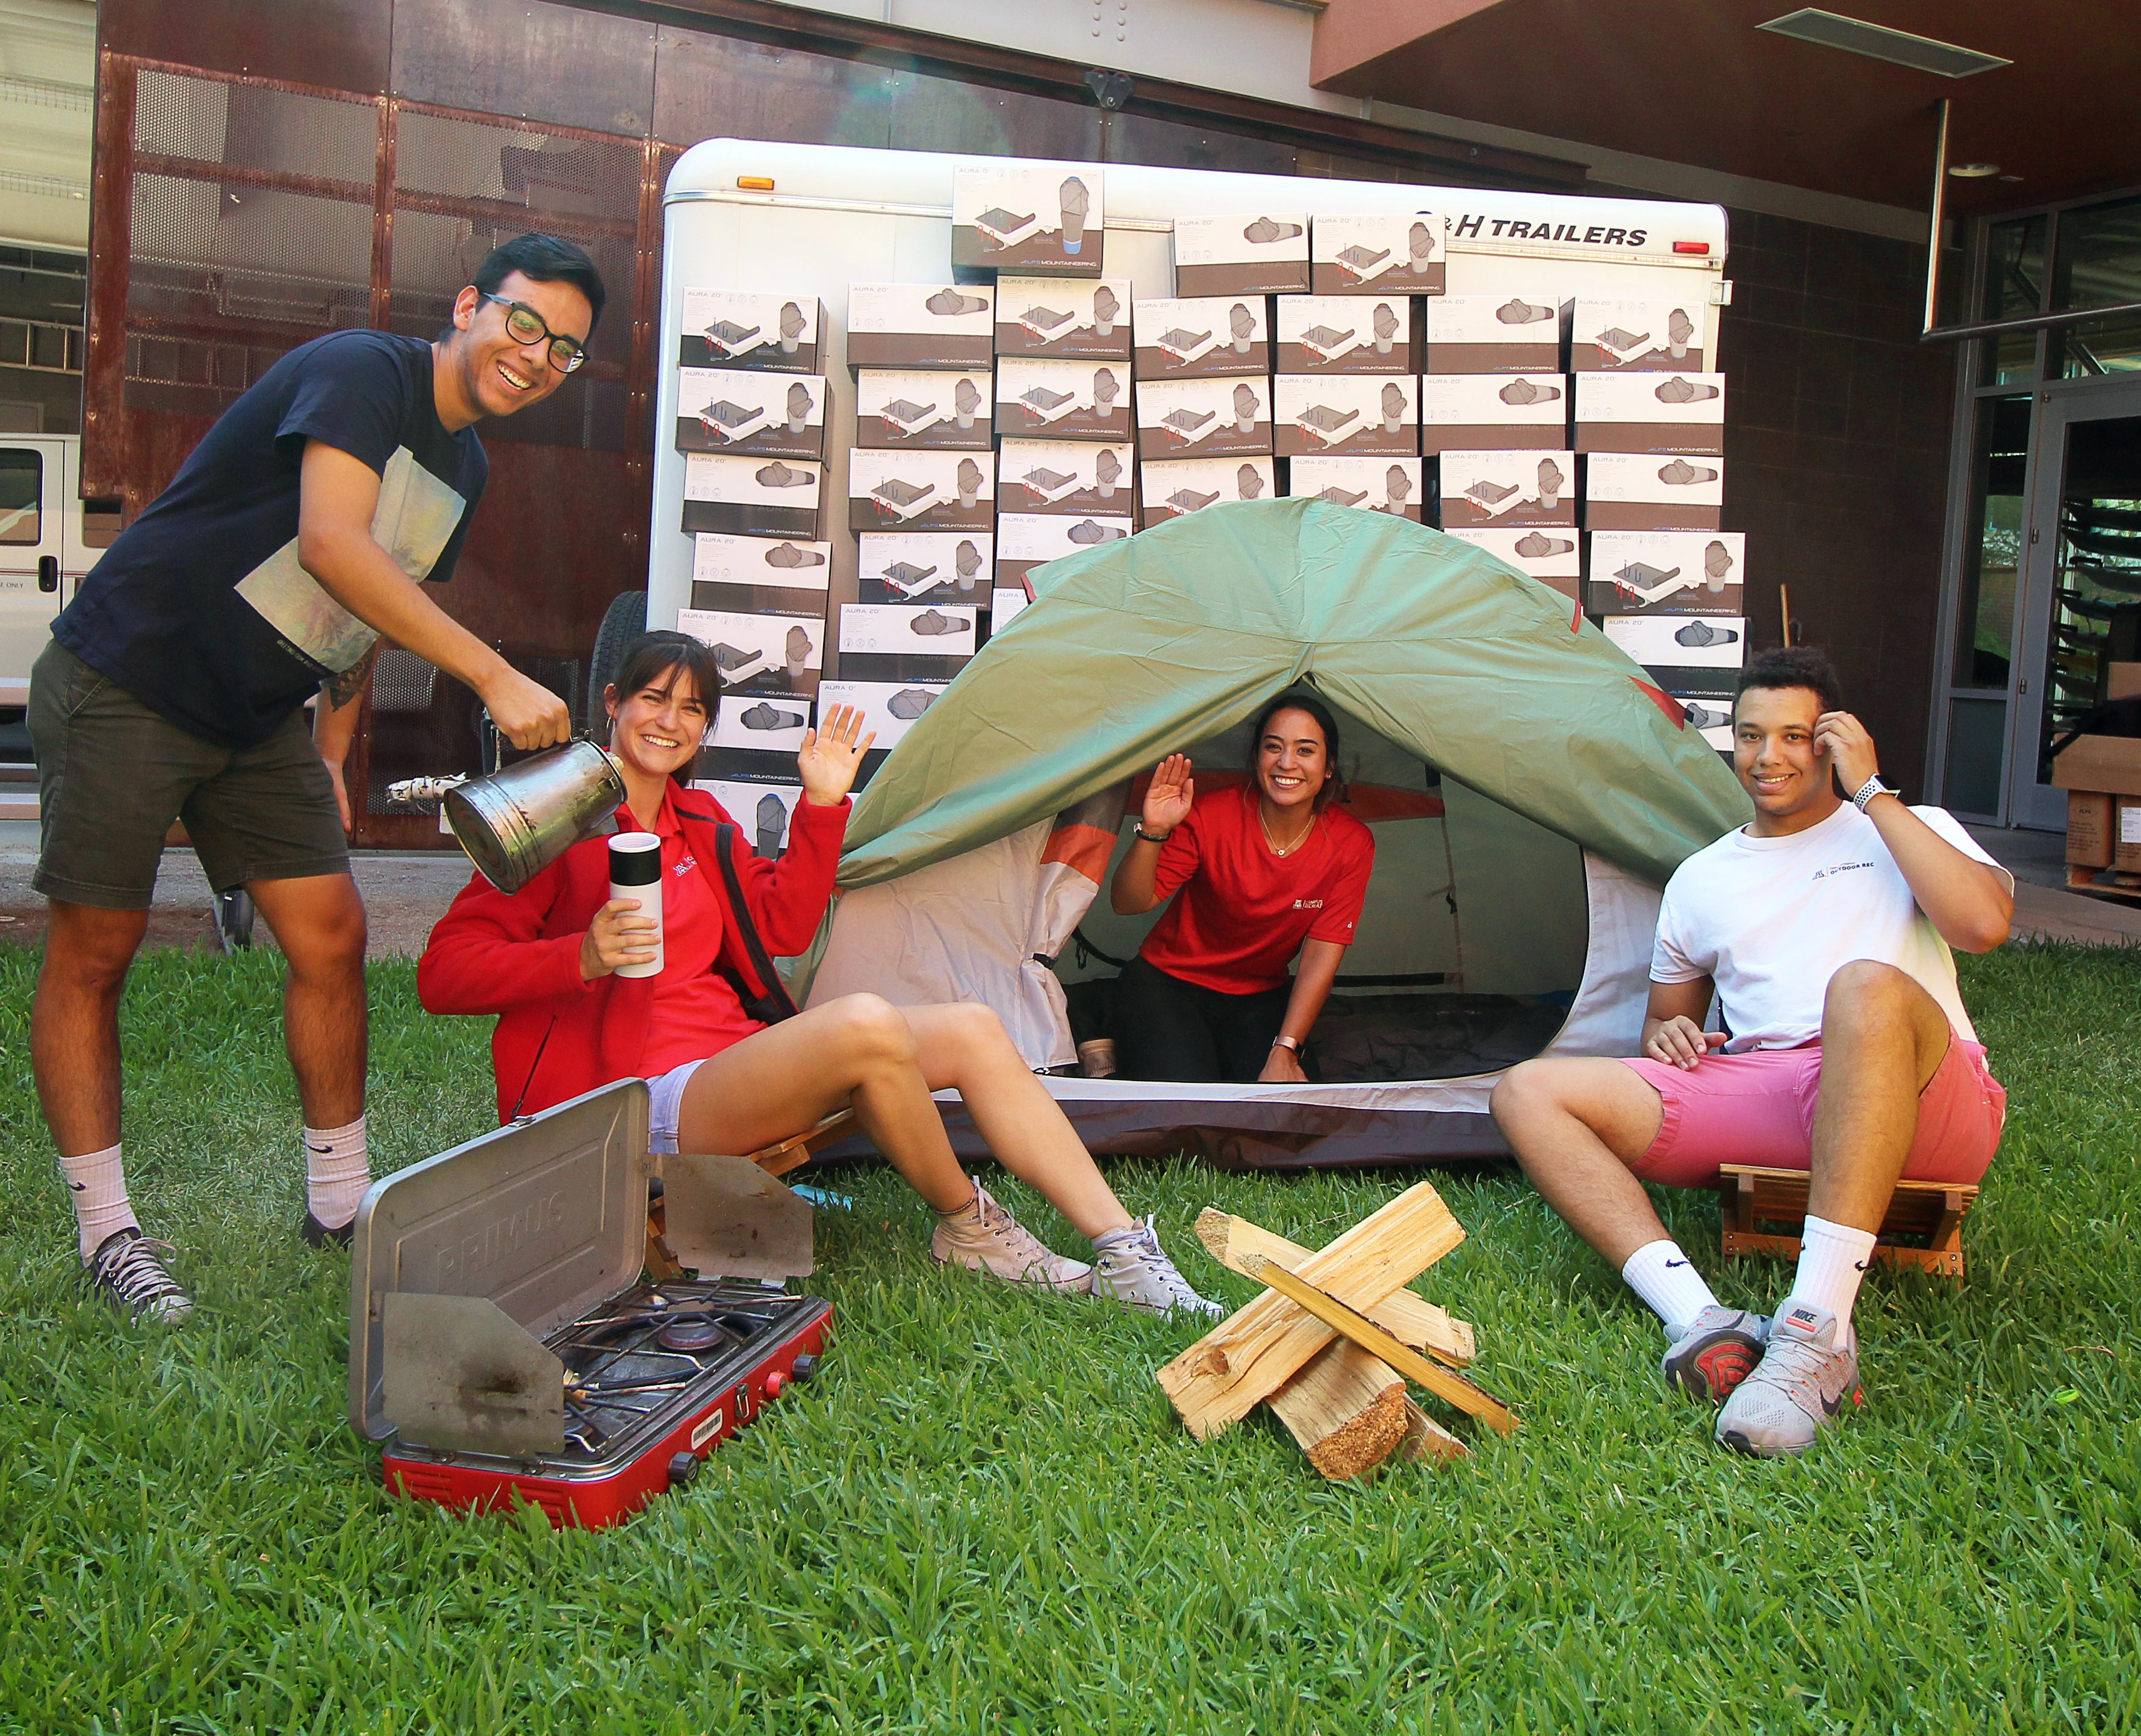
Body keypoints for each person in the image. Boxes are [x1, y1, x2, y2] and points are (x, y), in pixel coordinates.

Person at [28, 232, 607, 1323]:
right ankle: (109, 1230)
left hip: (255, 721)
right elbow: (335, 543)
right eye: (526, 324)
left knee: (333, 936)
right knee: (98, 947)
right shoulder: (364, 371)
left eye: (565, 352)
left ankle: (341, 1207)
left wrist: (334, 753)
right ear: (472, 304)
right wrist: (492, 674)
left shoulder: (465, 467)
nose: (536, 357)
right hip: (131, 672)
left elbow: (357, 608)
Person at [418, 631, 1221, 1319]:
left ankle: (1125, 1255)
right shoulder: (557, 824)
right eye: (655, 699)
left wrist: (822, 805)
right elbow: (442, 975)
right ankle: (968, 1227)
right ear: (615, 702)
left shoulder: (703, 824)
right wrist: (580, 956)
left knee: (974, 1026)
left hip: (726, 1068)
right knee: (867, 1026)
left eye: (693, 708)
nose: (671, 721)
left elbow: (784, 928)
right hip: (632, 1102)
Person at [1490, 647, 2013, 1458]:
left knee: (1864, 988)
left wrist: (1874, 794)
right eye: (1750, 735)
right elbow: (1666, 1028)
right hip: (1775, 1092)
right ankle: (1699, 1320)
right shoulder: (1702, 878)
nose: (1768, 757)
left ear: (1834, 743)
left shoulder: (1905, 829)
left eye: (1796, 737)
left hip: (1923, 1095)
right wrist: (1669, 1035)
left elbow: (1983, 927)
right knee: (1527, 1092)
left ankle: (1815, 1335)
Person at [1110, 692, 1374, 1083]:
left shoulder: (1351, 843)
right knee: (1186, 1099)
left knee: (1284, 1102)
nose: (1287, 763)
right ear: (1256, 758)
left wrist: (1286, 1049)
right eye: (1273, 747)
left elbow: (1320, 958)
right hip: (1168, 982)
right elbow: (1127, 903)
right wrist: (1155, 830)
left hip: (1260, 995)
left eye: (1306, 750)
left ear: (1329, 766)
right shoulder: (1211, 815)